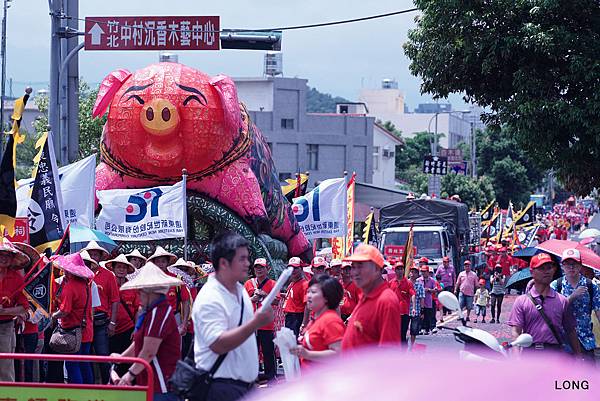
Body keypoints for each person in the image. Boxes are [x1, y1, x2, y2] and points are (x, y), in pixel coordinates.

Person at [192, 231, 274, 401]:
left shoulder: (240, 290)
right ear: (223, 263)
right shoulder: (210, 297)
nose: (248, 264)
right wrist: (255, 323)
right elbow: (218, 344)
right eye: (242, 259)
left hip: (243, 386)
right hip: (219, 387)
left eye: (247, 258)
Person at [112, 262, 183, 401]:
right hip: (149, 382)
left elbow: (149, 351)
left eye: (140, 291)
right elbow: (139, 343)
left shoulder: (160, 313)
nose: (138, 295)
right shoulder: (151, 312)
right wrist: (121, 358)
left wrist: (129, 375)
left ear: (150, 293)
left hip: (161, 385)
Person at [508, 253, 581, 356]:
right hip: (530, 354)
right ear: (532, 272)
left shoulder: (562, 301)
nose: (546, 271)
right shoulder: (522, 301)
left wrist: (579, 357)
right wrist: (516, 358)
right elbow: (516, 332)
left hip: (555, 354)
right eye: (541, 268)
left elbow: (571, 331)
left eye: (549, 268)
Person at [341, 244, 401, 350]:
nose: (355, 272)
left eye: (360, 266)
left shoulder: (386, 301)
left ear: (377, 269)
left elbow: (389, 351)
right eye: (353, 267)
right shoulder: (365, 296)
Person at [51, 253, 94, 384]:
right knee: (84, 364)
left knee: (72, 365)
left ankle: (77, 394)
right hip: (86, 330)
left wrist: (52, 315)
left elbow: (64, 311)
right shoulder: (86, 285)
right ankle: (89, 393)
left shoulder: (70, 287)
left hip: (73, 333)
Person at [550, 248, 600, 362]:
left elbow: (598, 311)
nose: (571, 267)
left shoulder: (591, 285)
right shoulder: (555, 286)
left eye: (574, 264)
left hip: (586, 341)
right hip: (563, 342)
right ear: (562, 266)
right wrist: (572, 297)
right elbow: (553, 312)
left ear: (580, 265)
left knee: (589, 378)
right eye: (567, 264)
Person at [290, 275, 345, 366]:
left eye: (313, 292)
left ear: (327, 297)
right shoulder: (314, 320)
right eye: (308, 292)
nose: (308, 296)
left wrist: (307, 354)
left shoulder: (330, 321)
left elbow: (338, 355)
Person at [84, 247, 120, 384]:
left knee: (103, 356)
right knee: (85, 357)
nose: (93, 256)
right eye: (90, 254)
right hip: (84, 322)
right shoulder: (80, 274)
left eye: (95, 254)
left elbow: (115, 300)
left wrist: (112, 323)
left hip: (100, 321)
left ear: (100, 257)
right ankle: (89, 387)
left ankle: (107, 386)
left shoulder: (108, 275)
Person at [244, 258, 278, 383]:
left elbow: (277, 301)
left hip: (266, 323)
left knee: (268, 350)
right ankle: (252, 375)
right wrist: (252, 299)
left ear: (267, 269)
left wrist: (264, 294)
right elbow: (243, 301)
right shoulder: (248, 283)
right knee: (252, 351)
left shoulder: (273, 284)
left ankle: (271, 376)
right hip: (251, 323)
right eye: (256, 267)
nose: (258, 269)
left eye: (261, 267)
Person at [0, 239, 30, 382]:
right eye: (1, 254)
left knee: (5, 366)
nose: (4, 258)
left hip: (5, 328)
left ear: (12, 258)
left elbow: (24, 307)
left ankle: (7, 396)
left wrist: (5, 312)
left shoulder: (17, 278)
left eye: (7, 255)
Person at [105, 254, 140, 375]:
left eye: (124, 268)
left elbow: (138, 309)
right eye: (118, 267)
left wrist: (136, 329)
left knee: (127, 361)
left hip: (128, 330)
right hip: (110, 329)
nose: (121, 270)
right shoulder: (108, 284)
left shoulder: (133, 286)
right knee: (112, 360)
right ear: (113, 269)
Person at [149, 246, 191, 339]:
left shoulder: (176, 279)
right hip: (155, 318)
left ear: (167, 263)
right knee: (154, 350)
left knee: (174, 350)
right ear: (154, 263)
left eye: (163, 261)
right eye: (158, 261)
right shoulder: (149, 280)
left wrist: (184, 324)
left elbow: (186, 301)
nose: (160, 264)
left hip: (174, 318)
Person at [388, 261, 415, 344]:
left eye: (401, 269)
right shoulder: (391, 283)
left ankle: (403, 352)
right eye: (398, 269)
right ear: (395, 271)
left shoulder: (408, 283)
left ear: (403, 270)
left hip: (404, 313)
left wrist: (413, 307)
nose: (400, 271)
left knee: (402, 333)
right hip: (393, 312)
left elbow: (413, 295)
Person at [283, 257, 309, 337]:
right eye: (291, 268)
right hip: (289, 317)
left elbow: (307, 305)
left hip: (297, 318)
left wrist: (304, 323)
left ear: (301, 269)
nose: (293, 270)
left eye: (296, 268)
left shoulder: (305, 284)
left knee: (294, 344)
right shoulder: (292, 283)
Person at [417, 259, 436, 334]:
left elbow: (435, 290)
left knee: (428, 315)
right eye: (422, 271)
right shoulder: (418, 280)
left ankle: (427, 329)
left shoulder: (432, 280)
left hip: (428, 300)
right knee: (420, 315)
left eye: (425, 271)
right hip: (420, 301)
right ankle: (421, 328)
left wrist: (429, 290)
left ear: (428, 272)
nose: (423, 273)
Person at [407, 265, 425, 346]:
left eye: (414, 272)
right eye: (411, 272)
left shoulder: (420, 285)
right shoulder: (406, 283)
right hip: (406, 310)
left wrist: (422, 311)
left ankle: (412, 345)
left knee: (414, 330)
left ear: (418, 274)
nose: (412, 274)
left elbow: (422, 298)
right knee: (404, 328)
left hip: (416, 310)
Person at [435, 256, 456, 322]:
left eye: (446, 262)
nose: (445, 263)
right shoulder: (440, 268)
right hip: (442, 285)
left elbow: (454, 277)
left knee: (449, 298)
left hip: (449, 285)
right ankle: (444, 311)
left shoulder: (452, 267)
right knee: (443, 298)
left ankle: (449, 309)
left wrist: (454, 285)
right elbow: (436, 276)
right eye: (444, 262)